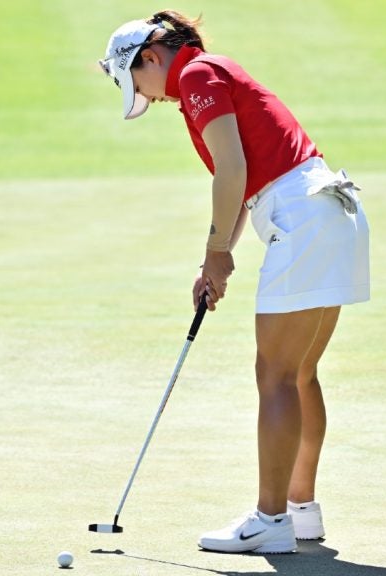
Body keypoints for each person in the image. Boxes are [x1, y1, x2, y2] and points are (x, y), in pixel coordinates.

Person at [98, 11, 370, 554]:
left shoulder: (197, 75)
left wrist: (216, 251)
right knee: (299, 373)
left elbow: (232, 169)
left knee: (276, 375)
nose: (148, 97)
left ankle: (271, 520)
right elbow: (244, 184)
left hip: (303, 216)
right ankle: (300, 510)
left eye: (139, 83)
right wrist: (214, 264)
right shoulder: (210, 74)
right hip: (331, 212)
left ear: (150, 57)